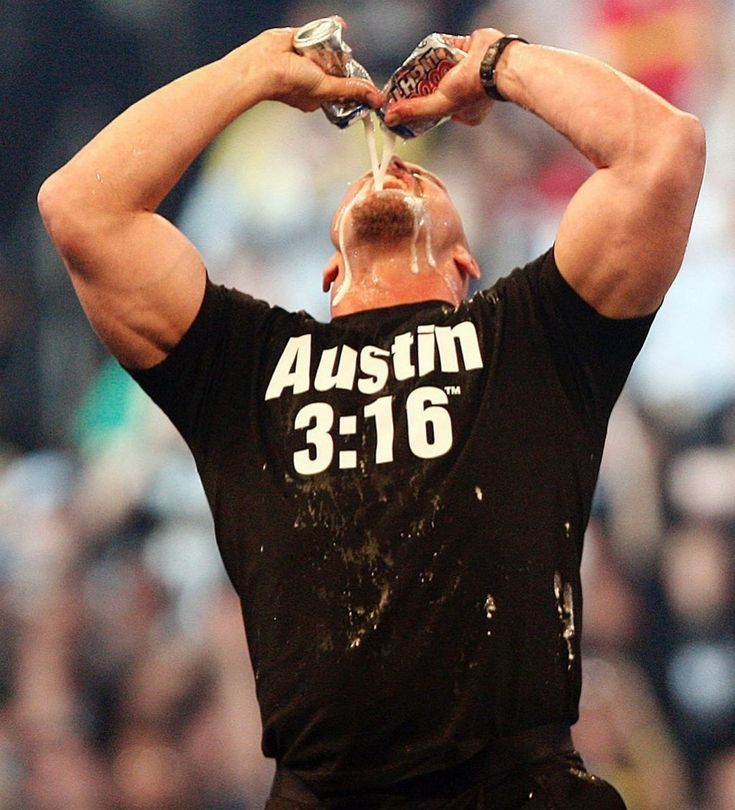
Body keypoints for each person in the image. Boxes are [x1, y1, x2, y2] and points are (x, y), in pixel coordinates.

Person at [37, 17, 705, 810]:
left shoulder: (526, 343)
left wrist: (496, 63)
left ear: (467, 265)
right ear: (328, 269)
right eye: (368, 181)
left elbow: (665, 150)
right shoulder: (247, 367)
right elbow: (80, 206)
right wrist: (249, 71)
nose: (392, 168)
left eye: (429, 179)